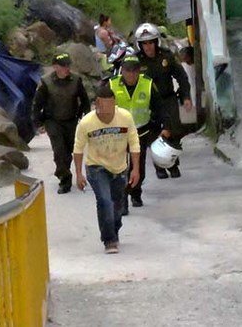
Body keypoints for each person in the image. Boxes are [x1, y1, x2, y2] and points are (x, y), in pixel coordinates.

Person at [73, 84, 140, 254]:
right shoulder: (87, 123)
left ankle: (114, 229)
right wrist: (79, 174)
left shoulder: (125, 117)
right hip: (96, 167)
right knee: (105, 201)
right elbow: (78, 148)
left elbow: (134, 142)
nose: (107, 112)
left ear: (115, 103)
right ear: (97, 105)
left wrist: (135, 169)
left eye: (111, 106)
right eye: (103, 107)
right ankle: (109, 240)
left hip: (120, 167)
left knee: (117, 205)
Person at [133, 23, 192, 179]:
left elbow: (181, 76)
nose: (148, 47)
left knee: (173, 131)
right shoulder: (136, 61)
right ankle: (159, 166)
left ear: (156, 42)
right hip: (148, 104)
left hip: (168, 99)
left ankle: (172, 163)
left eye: (151, 42)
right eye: (144, 43)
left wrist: (186, 96)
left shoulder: (166, 56)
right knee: (153, 135)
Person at [109, 55, 168, 213]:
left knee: (138, 168)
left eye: (135, 71)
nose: (131, 74)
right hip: (118, 133)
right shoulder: (112, 84)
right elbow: (102, 107)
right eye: (128, 71)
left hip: (140, 132)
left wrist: (164, 126)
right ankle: (122, 201)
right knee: (120, 168)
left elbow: (160, 107)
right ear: (122, 71)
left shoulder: (147, 84)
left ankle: (135, 193)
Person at [33, 53, 90, 194]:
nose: (67, 68)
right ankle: (65, 178)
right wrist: (37, 121)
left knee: (68, 151)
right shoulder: (46, 82)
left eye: (68, 65)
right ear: (55, 67)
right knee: (59, 151)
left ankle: (64, 170)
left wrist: (86, 116)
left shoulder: (76, 80)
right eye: (63, 66)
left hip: (71, 120)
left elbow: (84, 100)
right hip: (53, 121)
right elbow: (37, 103)